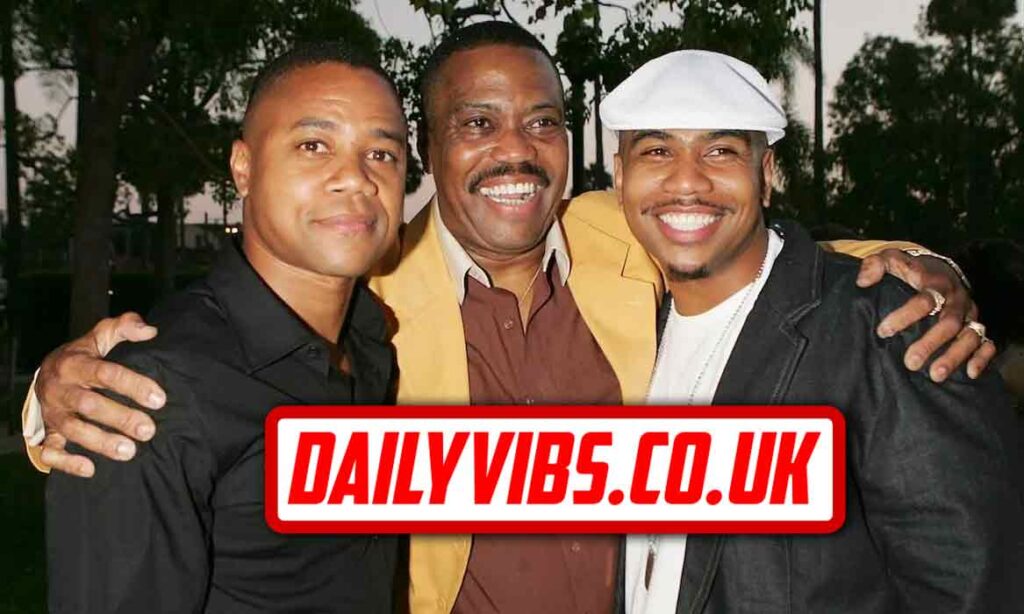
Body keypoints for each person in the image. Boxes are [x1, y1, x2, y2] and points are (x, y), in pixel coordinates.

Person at [26, 22, 993, 614]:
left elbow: (736, 227)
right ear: (430, 151)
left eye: (542, 122)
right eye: (477, 124)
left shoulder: (620, 238)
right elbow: (195, 383)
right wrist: (47, 399)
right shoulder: (369, 285)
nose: (516, 151)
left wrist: (929, 270)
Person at [602, 49, 1024, 613]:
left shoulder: (885, 327)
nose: (687, 181)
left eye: (721, 150)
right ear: (620, 177)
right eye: (657, 151)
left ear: (766, 174)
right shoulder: (630, 329)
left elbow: (973, 581)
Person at [46, 42, 407, 613]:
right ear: (244, 168)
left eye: (381, 153)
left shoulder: (370, 343)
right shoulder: (151, 396)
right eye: (313, 146)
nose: (356, 178)